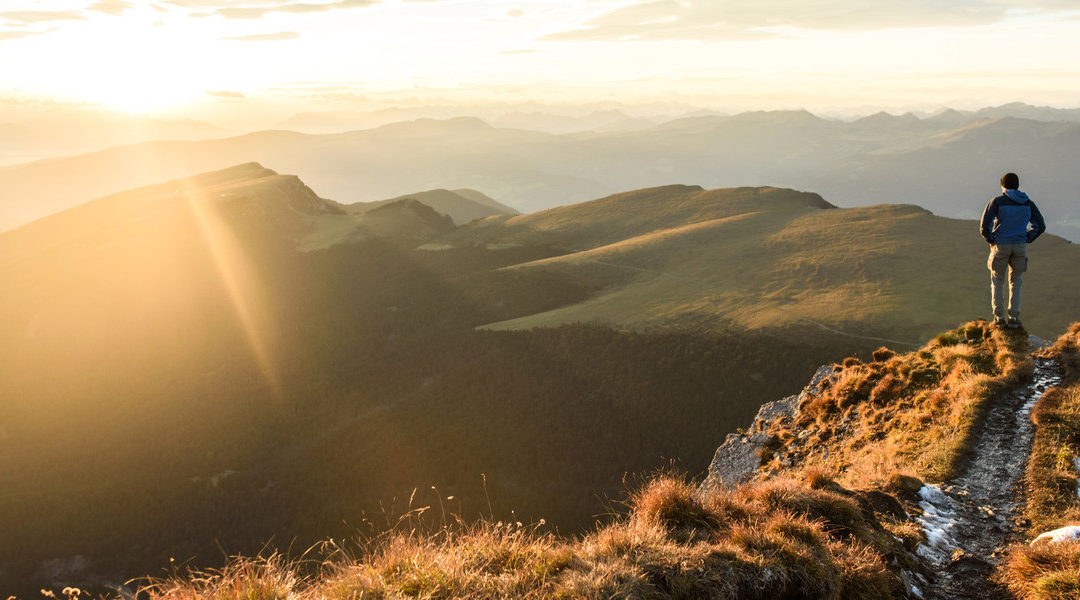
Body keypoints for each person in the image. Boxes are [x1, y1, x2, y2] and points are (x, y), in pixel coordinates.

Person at [979, 172, 1046, 329]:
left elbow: (984, 226)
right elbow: (1040, 226)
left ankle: (999, 317)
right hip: (1020, 245)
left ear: (1003, 185)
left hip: (1001, 245)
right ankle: (1014, 318)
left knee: (997, 280)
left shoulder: (997, 201)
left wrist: (991, 239)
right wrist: (1027, 238)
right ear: (1017, 185)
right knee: (1016, 281)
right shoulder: (1027, 203)